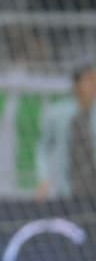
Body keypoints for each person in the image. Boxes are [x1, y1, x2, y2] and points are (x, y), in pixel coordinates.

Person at [36, 62, 96, 200]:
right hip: (67, 189)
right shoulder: (56, 113)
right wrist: (43, 178)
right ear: (77, 84)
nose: (94, 85)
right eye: (90, 79)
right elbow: (43, 148)